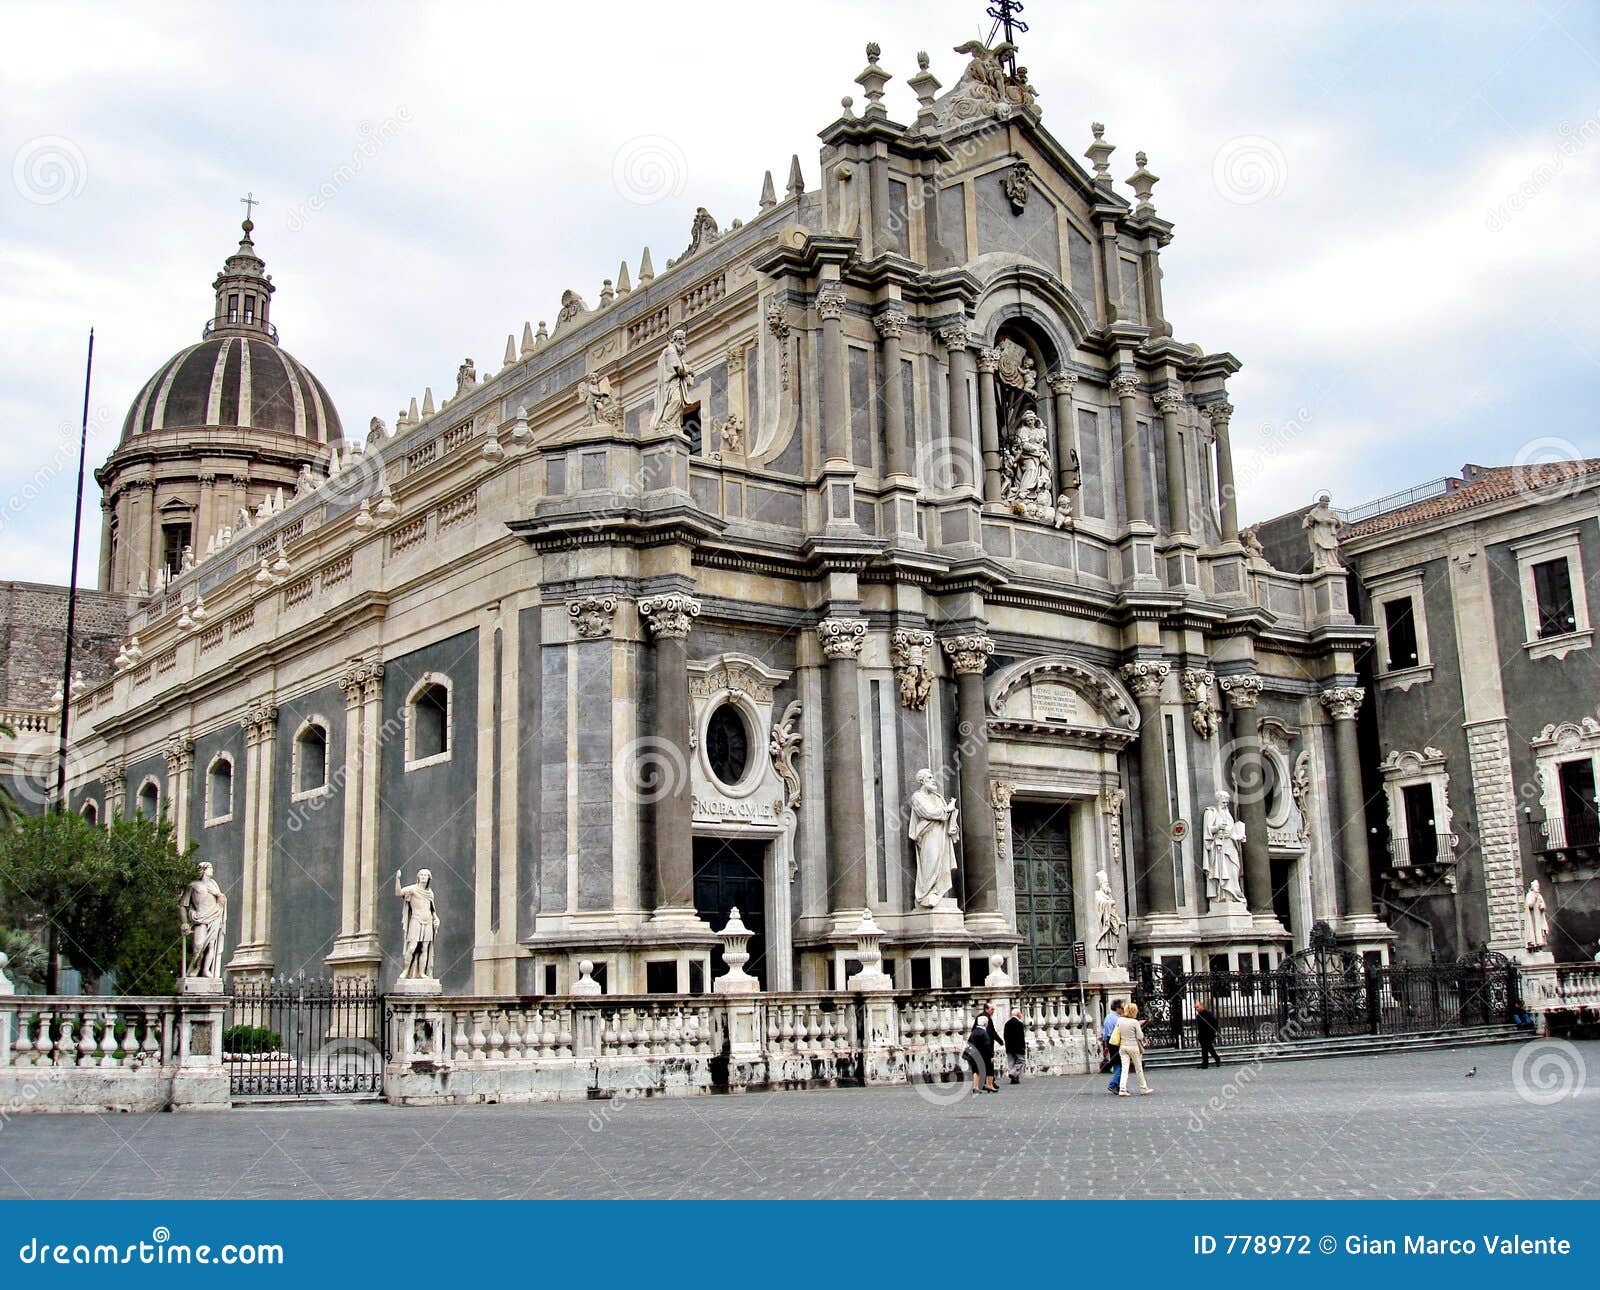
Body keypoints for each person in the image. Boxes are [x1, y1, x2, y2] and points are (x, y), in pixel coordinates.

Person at [1115, 1002, 1152, 1096]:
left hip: (1123, 1046)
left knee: (1124, 1068)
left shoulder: (1120, 1020)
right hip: (1133, 1046)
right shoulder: (1135, 1022)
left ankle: (1122, 1088)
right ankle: (1143, 1088)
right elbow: (1140, 1036)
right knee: (1138, 1068)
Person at [967, 1007, 999, 1095]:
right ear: (985, 1024)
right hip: (983, 1055)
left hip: (974, 1054)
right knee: (990, 1069)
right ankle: (990, 1085)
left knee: (976, 1071)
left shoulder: (974, 1032)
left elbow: (969, 1043)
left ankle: (975, 1086)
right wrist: (991, 1056)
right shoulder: (984, 1033)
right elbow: (987, 1046)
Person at [1103, 999, 1125, 1094]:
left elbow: (1105, 1033)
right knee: (1121, 1064)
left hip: (1109, 1041)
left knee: (1116, 1063)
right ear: (1117, 1008)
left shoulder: (1107, 1017)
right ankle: (1113, 1084)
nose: (1123, 1010)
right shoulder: (1117, 1019)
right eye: (1122, 1008)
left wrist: (1105, 1045)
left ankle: (1119, 1086)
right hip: (1116, 1042)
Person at [1195, 1001, 1222, 1069]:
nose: (1197, 1009)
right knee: (1206, 1048)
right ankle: (1208, 1062)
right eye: (1196, 1008)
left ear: (1202, 1006)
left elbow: (1215, 1023)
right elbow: (1199, 1027)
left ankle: (1210, 1061)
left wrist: (1213, 1032)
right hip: (1202, 1035)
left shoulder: (1208, 1014)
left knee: (1207, 1048)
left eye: (1198, 1007)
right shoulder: (1198, 1016)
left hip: (1209, 1034)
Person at [1003, 1007, 1026, 1084]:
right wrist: (1023, 1047)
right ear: (1017, 1014)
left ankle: (1014, 1079)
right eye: (1020, 1013)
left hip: (1009, 1047)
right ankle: (1013, 1074)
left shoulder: (1007, 1023)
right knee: (1021, 1061)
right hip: (1018, 1047)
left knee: (1011, 1063)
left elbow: (1005, 1036)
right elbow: (1021, 1037)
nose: (1021, 1015)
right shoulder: (1019, 1024)